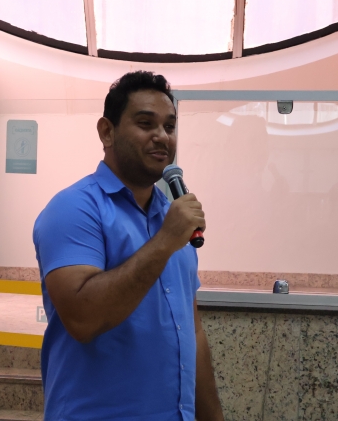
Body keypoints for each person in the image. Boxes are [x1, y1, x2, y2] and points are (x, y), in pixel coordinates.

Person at [33, 71, 225, 421]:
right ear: (107, 132)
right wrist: (164, 242)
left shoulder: (173, 216)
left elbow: (192, 333)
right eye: (145, 123)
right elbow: (83, 318)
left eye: (170, 126)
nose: (162, 136)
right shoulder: (73, 209)